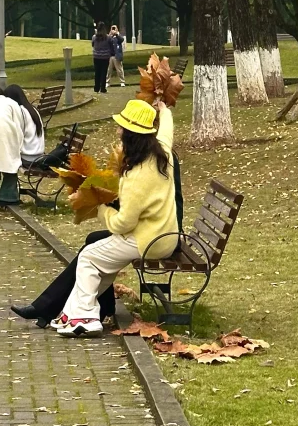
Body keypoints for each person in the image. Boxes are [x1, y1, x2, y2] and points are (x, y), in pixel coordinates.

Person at [12, 96, 177, 336]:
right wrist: (163, 110)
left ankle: (84, 318)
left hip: (146, 240)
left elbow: (123, 223)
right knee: (97, 252)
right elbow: (167, 131)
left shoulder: (136, 176)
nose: (118, 131)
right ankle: (72, 313)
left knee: (89, 257)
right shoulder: (163, 153)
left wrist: (100, 208)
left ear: (131, 135)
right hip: (165, 235)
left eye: (122, 128)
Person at [4, 84, 45, 164]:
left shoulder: (20, 112)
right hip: (39, 155)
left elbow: (16, 136)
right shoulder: (33, 109)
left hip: (28, 158)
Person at [91, 22, 114, 94]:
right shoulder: (108, 37)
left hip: (96, 56)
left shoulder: (94, 37)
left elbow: (93, 44)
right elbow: (111, 46)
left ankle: (96, 87)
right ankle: (103, 88)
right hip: (105, 57)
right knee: (104, 72)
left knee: (97, 72)